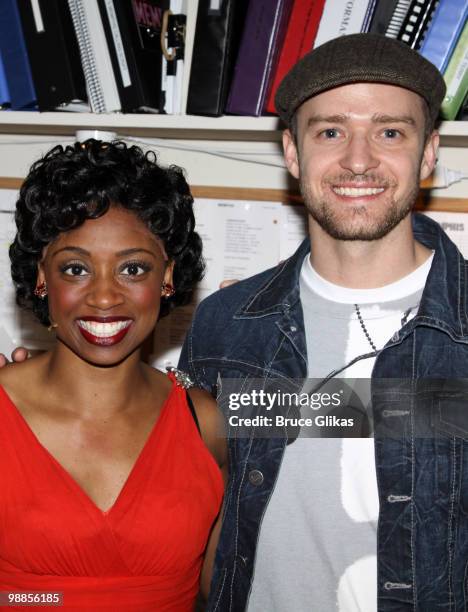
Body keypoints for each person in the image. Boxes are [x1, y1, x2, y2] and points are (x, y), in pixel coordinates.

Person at [177, 34, 468, 611]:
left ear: (429, 153)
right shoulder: (227, 327)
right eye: (330, 132)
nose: (358, 160)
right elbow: (183, 502)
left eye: (390, 132)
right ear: (292, 153)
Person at [0, 140, 226, 611]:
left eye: (133, 268)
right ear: (42, 277)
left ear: (167, 276)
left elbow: (223, 588)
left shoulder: (206, 423)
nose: (104, 297)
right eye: (76, 268)